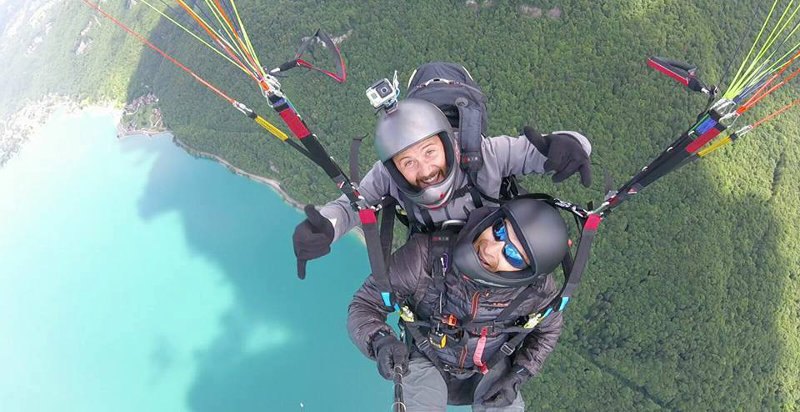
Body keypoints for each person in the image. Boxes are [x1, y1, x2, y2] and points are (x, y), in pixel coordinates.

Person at [293, 98, 592, 278]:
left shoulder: (484, 153)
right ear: (394, 167)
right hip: (433, 263)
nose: (424, 171)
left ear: (448, 143)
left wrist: (571, 144)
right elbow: (352, 205)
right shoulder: (387, 177)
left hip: (499, 250)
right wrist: (327, 227)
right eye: (407, 162)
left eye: (429, 152)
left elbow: (536, 151)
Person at [348, 197, 568, 411]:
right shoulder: (425, 256)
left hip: (491, 368)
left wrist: (518, 374)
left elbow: (548, 328)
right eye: (499, 230)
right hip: (428, 357)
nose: (491, 248)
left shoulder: (536, 290)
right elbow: (366, 302)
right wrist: (380, 340)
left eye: (512, 255)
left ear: (527, 273)